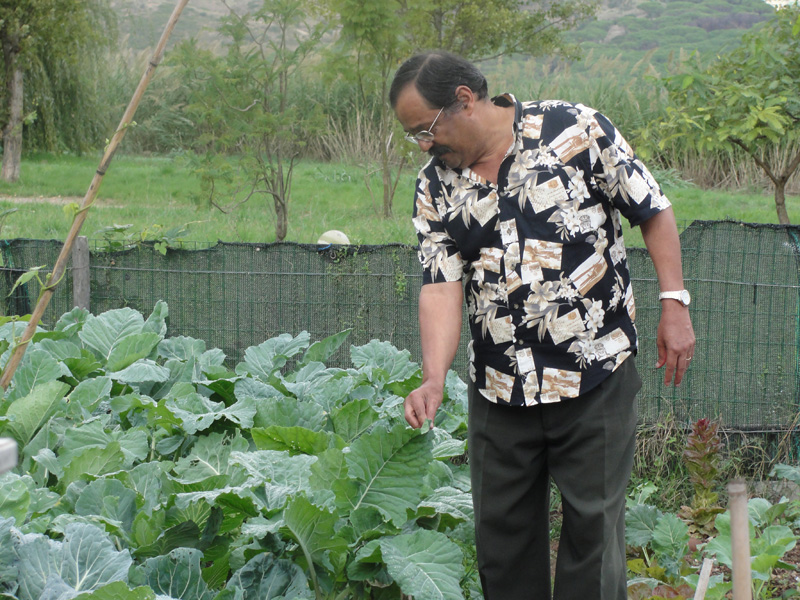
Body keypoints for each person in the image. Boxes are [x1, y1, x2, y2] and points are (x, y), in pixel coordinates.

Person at [389, 51, 695, 600]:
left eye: (425, 130)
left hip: (594, 374)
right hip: (499, 389)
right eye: (414, 136)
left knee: (593, 539)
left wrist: (674, 302)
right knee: (501, 543)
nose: (424, 145)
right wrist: (433, 377)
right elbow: (439, 284)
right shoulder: (435, 185)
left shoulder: (575, 130)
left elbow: (651, 209)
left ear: (464, 100)